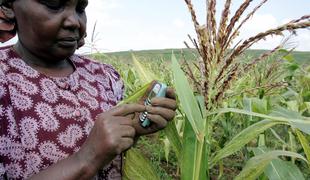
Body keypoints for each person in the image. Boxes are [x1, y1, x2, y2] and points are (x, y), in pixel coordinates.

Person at [0, 0, 177, 179]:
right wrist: (87, 157)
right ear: (8, 7)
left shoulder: (104, 76)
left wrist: (132, 128)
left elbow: (112, 152)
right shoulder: (4, 77)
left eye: (80, 9)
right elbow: (95, 152)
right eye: (54, 5)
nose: (75, 21)